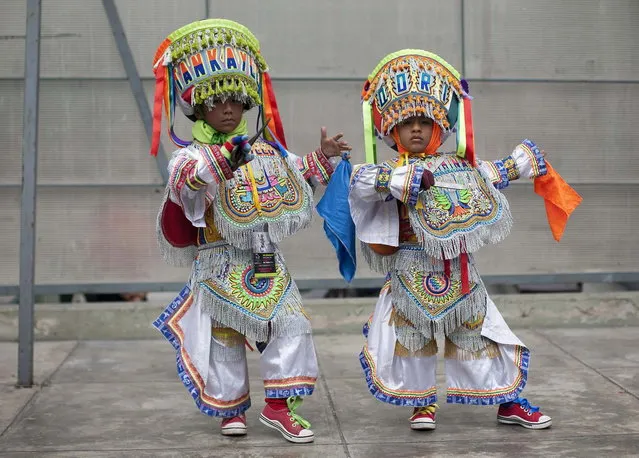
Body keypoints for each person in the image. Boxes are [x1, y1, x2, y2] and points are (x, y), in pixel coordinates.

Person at [338, 49, 581, 430]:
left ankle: (508, 401)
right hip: (409, 270)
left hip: (460, 272)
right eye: (407, 122)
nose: (416, 129)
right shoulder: (384, 171)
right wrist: (397, 181)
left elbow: (491, 175)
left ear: (439, 127)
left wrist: (520, 163)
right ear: (391, 131)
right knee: (411, 338)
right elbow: (358, 183)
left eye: (424, 121)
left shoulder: (460, 166)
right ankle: (421, 405)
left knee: (483, 334)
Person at [150, 19, 350, 443]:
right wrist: (222, 163)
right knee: (225, 337)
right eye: (216, 101)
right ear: (198, 108)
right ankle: (230, 409)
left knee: (291, 323)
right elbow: (187, 182)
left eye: (236, 100)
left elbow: (296, 174)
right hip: (219, 261)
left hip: (265, 257)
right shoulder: (189, 155)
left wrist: (323, 157)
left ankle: (279, 406)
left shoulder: (264, 149)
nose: (227, 109)